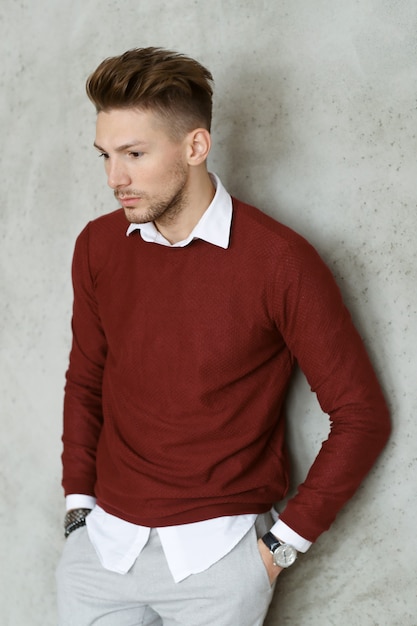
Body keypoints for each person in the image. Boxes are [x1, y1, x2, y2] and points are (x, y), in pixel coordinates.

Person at [56, 47, 391, 626]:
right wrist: (77, 513)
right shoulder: (98, 246)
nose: (116, 178)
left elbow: (361, 415)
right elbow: (87, 380)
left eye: (135, 154)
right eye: (106, 155)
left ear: (195, 147)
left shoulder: (280, 261)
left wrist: (277, 550)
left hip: (218, 563)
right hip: (101, 555)